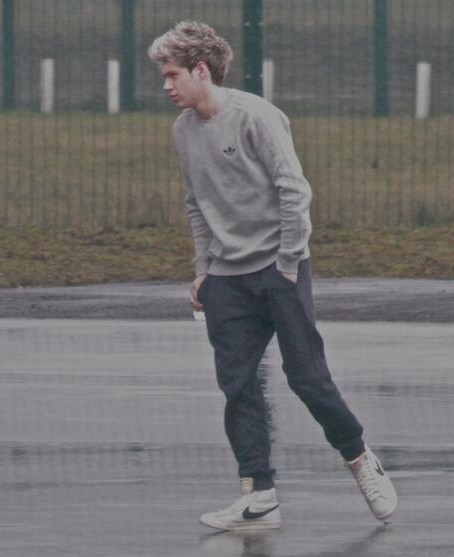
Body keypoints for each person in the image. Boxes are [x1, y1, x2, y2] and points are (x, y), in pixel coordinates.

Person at [148, 21, 397, 531]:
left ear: (201, 70)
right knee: (238, 386)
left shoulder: (256, 116)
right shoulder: (182, 130)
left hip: (279, 270)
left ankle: (359, 458)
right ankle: (259, 497)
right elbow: (196, 204)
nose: (165, 85)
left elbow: (294, 191)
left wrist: (287, 262)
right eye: (164, 76)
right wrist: (203, 270)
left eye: (172, 74)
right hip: (225, 279)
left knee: (307, 377)